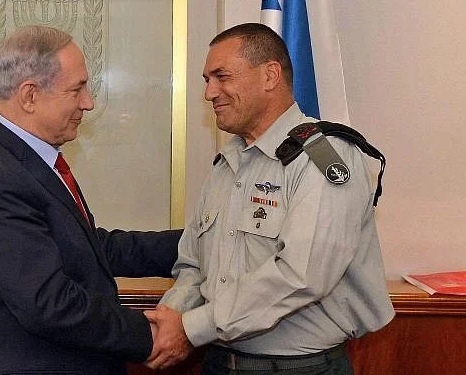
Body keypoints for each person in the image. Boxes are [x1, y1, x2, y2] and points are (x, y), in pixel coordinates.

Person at [144, 23, 395, 374]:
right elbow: (193, 265)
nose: (209, 93)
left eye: (221, 76)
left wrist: (191, 327)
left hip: (299, 367)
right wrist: (169, 320)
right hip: (218, 361)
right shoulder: (227, 164)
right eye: (206, 80)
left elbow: (300, 275)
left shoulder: (324, 157)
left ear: (270, 75)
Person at [0, 25, 181, 375]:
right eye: (77, 88)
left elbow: (88, 249)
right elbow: (47, 303)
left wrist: (195, 244)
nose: (89, 102)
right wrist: (149, 335)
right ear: (30, 96)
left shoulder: (27, 160)